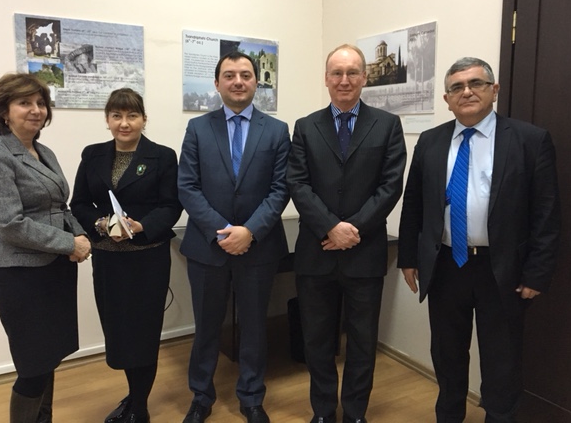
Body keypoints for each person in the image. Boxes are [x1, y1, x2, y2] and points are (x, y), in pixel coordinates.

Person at [397, 57, 561, 422]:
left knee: (502, 362)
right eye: (457, 87)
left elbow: (546, 215)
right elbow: (414, 206)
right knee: (447, 355)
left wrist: (537, 273)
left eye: (476, 84)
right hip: (445, 266)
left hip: (501, 270)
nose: (466, 92)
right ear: (447, 98)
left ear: (494, 90)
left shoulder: (529, 140)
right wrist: (408, 257)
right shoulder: (431, 141)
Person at [287, 44, 406, 423]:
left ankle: (355, 413)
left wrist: (352, 230)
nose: (344, 80)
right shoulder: (306, 127)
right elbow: (297, 183)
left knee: (362, 342)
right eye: (336, 73)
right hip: (315, 253)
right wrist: (330, 227)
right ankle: (323, 412)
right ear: (326, 79)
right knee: (316, 341)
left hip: (364, 253)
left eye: (352, 72)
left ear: (364, 78)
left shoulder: (387, 125)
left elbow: (390, 186)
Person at [177, 51, 291, 423]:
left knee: (256, 327)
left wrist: (250, 232)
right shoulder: (198, 128)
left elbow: (280, 189)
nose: (238, 81)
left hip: (258, 248)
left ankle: (252, 397)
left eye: (245, 74)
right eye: (230, 75)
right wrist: (222, 231)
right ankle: (201, 396)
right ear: (217, 83)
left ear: (257, 82)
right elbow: (188, 187)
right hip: (208, 247)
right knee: (206, 326)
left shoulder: (276, 130)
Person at [0, 73, 91, 423]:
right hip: (19, 273)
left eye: (40, 103)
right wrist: (69, 242)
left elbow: (61, 207)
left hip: (53, 267)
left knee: (49, 356)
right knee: (32, 365)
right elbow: (9, 224)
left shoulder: (43, 151)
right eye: (25, 103)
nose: (36, 110)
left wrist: (86, 237)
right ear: (4, 111)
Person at [71, 88, 182, 423]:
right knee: (118, 331)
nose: (124, 123)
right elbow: (78, 203)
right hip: (108, 258)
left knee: (144, 331)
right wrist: (100, 223)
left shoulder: (162, 156)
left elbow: (171, 204)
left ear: (143, 119)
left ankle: (140, 406)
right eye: (117, 115)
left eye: (132, 115)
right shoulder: (92, 155)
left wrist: (142, 225)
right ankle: (133, 397)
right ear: (107, 120)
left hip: (146, 258)